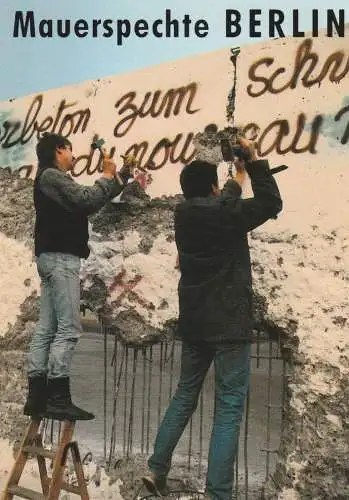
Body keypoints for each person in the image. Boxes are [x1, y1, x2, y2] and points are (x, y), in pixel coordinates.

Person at [142, 137, 283, 500]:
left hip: (195, 321)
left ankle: (156, 468)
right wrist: (252, 162)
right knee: (229, 406)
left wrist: (236, 180)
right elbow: (270, 203)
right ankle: (218, 492)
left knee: (185, 394)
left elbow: (223, 205)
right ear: (211, 187)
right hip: (228, 323)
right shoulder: (224, 214)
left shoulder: (183, 214)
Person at [24, 132, 133, 421]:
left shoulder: (51, 180)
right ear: (60, 150)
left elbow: (88, 200)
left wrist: (118, 178)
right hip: (61, 259)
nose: (74, 158)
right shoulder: (52, 176)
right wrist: (107, 175)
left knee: (47, 329)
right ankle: (58, 398)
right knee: (69, 328)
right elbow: (86, 200)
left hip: (52, 258)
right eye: (70, 151)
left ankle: (36, 398)